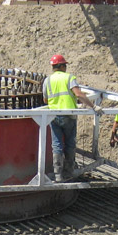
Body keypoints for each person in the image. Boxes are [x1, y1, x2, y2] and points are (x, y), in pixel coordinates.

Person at [43, 53, 99, 182]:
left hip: (54, 115)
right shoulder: (69, 78)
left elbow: (45, 100)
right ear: (62, 66)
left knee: (56, 145)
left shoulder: (47, 80)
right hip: (69, 115)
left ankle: (57, 174)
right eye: (65, 65)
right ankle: (68, 172)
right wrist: (93, 107)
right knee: (70, 143)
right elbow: (78, 94)